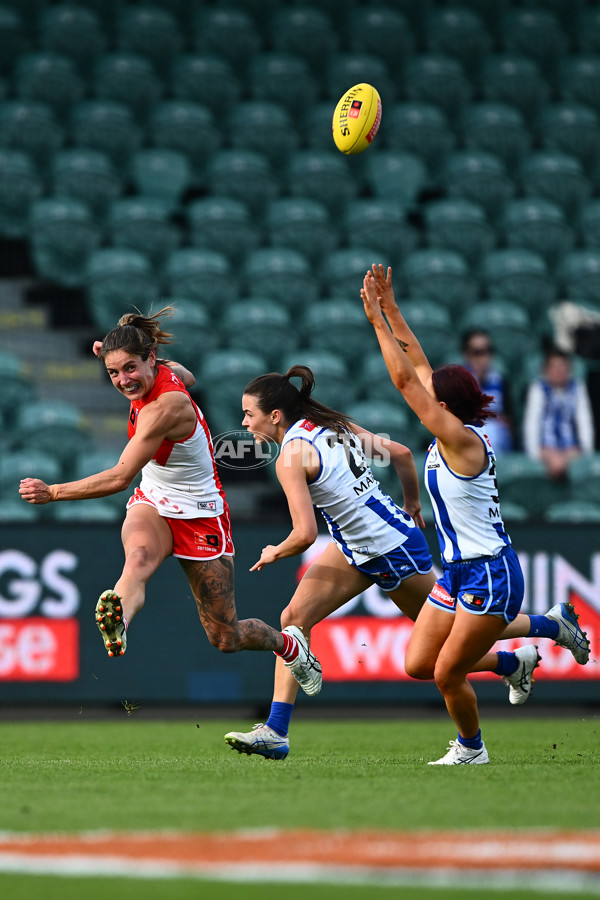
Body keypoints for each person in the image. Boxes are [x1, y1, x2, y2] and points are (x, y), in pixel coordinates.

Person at [224, 364, 588, 762]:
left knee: (447, 640)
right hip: (357, 547)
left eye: (248, 414)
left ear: (274, 416)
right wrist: (411, 503)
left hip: (391, 551)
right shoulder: (327, 425)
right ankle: (276, 731)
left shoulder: (290, 457)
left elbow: (305, 535)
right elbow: (399, 453)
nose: (244, 424)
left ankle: (544, 631)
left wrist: (275, 551)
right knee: (293, 617)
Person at [18, 307, 321, 696]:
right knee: (138, 558)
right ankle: (120, 620)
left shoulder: (167, 407)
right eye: (113, 373)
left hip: (201, 515)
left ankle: (289, 645)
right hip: (155, 499)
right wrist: (117, 358)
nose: (123, 380)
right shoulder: (164, 371)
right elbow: (185, 375)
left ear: (151, 359)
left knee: (226, 637)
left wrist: (54, 492)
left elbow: (119, 477)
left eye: (130, 368)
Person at [361, 265, 589, 766]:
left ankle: (472, 749)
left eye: (433, 396)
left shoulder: (463, 442)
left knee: (447, 672)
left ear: (444, 406)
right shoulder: (452, 430)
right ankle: (542, 634)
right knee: (419, 663)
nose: (426, 394)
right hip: (461, 570)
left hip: (491, 571)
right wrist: (393, 309)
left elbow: (404, 379)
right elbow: (417, 366)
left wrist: (376, 321)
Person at [523, 345, 595, 480]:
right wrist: (534, 454)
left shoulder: (578, 388)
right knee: (556, 464)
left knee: (574, 465)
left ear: (569, 370)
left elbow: (584, 421)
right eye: (554, 367)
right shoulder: (538, 388)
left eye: (563, 367)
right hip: (547, 446)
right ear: (546, 370)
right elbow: (532, 422)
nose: (559, 371)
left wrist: (586, 452)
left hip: (570, 446)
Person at [461, 328, 514, 454]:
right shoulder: (458, 381)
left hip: (497, 438)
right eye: (478, 352)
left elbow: (508, 420)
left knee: (492, 431)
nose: (484, 357)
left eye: (488, 351)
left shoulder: (501, 381)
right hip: (467, 435)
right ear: (467, 354)